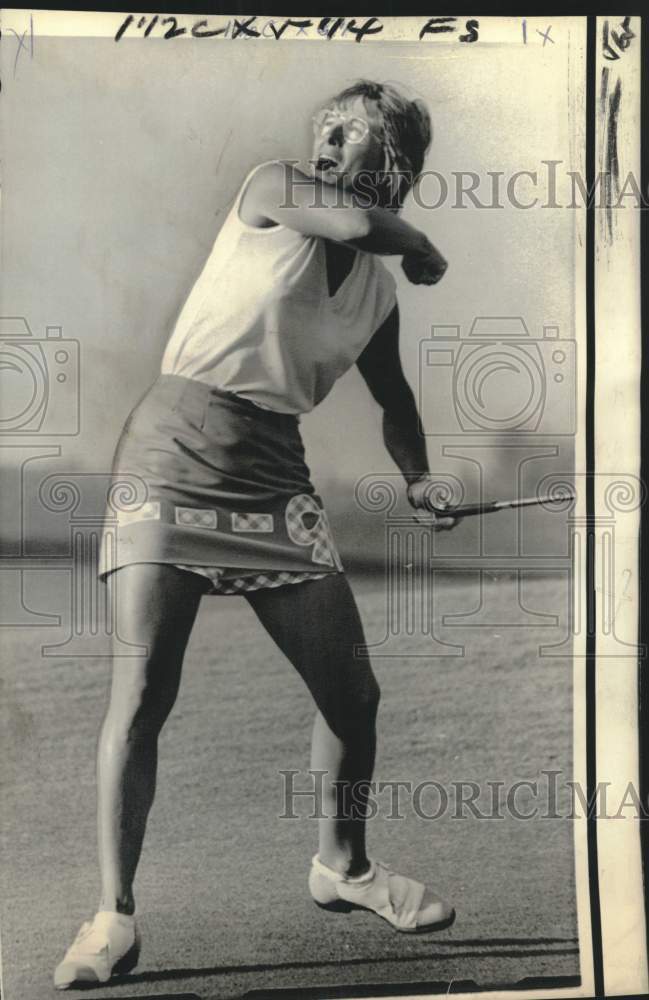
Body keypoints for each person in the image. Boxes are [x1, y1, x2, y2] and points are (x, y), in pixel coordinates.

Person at [54, 79, 460, 991]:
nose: (324, 140)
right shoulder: (271, 186)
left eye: (348, 133)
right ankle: (112, 917)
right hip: (172, 451)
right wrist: (424, 242)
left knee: (352, 694)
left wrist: (419, 478)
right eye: (324, 125)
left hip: (276, 478)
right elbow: (357, 227)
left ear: (387, 158)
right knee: (145, 688)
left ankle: (343, 868)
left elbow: (394, 403)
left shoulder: (377, 297)